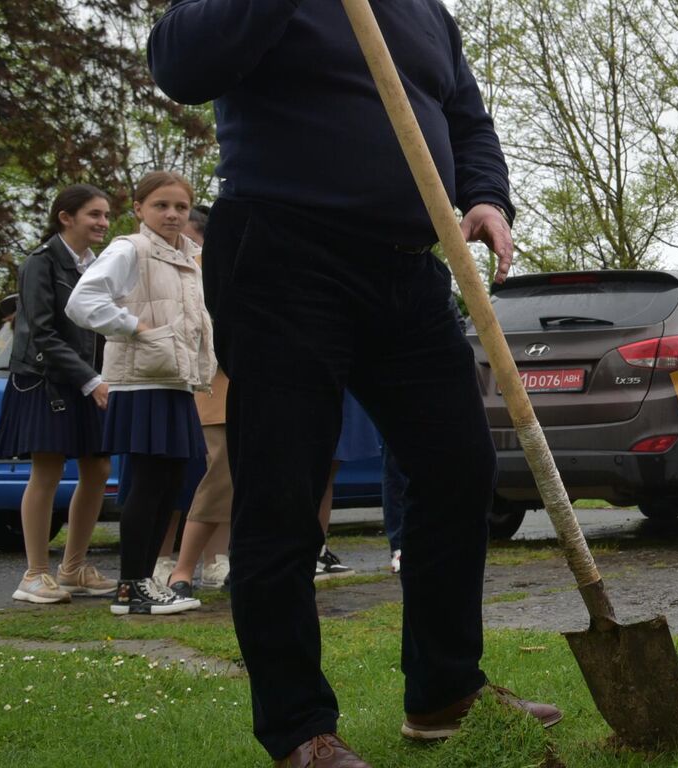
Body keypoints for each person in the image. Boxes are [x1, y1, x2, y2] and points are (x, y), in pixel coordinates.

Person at [149, 1, 557, 764]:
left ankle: (444, 691)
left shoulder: (426, 12)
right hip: (282, 252)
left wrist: (485, 196)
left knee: (457, 468)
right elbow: (179, 63)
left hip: (406, 263)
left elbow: (466, 118)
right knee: (281, 491)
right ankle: (299, 728)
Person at [65, 170, 214, 616]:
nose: (172, 214)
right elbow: (82, 301)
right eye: (161, 206)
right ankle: (130, 587)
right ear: (139, 210)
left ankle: (146, 582)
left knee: (171, 485)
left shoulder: (190, 255)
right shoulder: (128, 249)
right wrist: (134, 326)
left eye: (181, 207)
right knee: (147, 485)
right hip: (142, 380)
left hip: (176, 381)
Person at [0, 184, 119, 604]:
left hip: (87, 380)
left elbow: (101, 325)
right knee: (46, 472)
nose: (103, 222)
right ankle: (34, 575)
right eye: (94, 215)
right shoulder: (40, 263)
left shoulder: (98, 266)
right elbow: (42, 334)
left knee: (98, 470)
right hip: (43, 380)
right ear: (66, 217)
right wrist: (91, 378)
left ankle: (73, 569)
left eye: (105, 215)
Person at [164, 204, 234, 598]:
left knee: (235, 479)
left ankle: (213, 564)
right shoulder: (196, 267)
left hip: (249, 380)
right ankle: (183, 568)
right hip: (215, 381)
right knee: (219, 477)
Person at [314, 394, 380, 579]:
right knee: (309, 467)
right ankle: (300, 551)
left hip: (341, 383)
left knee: (330, 466)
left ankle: (318, 550)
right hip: (308, 384)